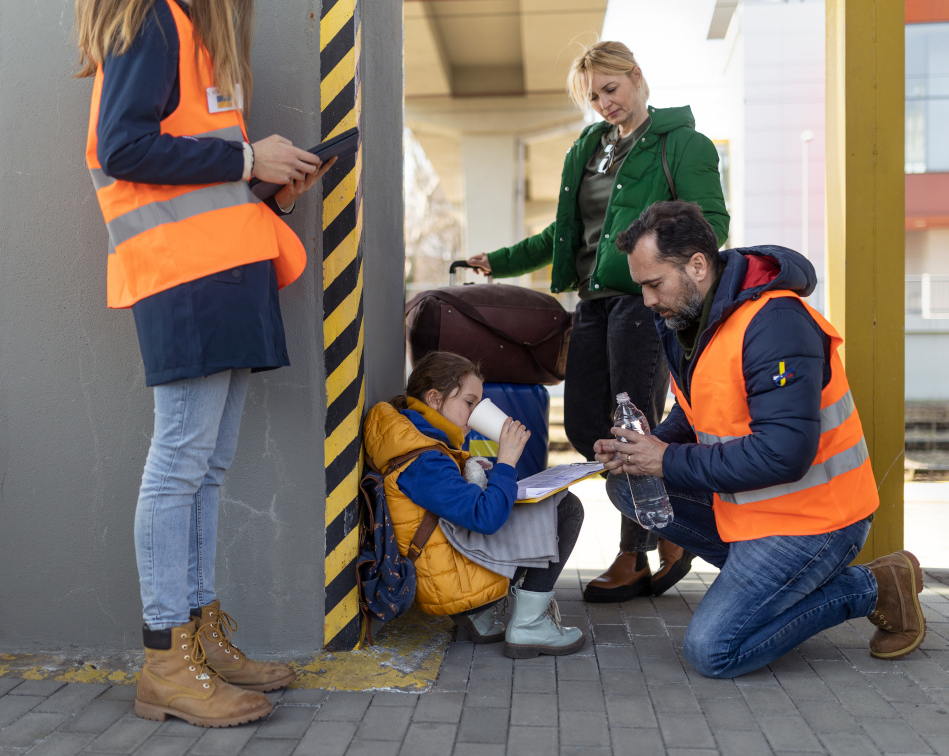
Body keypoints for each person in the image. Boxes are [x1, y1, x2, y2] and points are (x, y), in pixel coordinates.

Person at [76, 0, 335, 727]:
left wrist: (263, 184)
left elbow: (192, 171)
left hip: (216, 272)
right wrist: (250, 158)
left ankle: (197, 637)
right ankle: (166, 658)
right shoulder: (154, 18)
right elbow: (122, 146)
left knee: (206, 464)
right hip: (183, 278)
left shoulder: (188, 27)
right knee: (180, 462)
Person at [595, 201, 926, 678]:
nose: (647, 300)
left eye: (653, 284)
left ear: (698, 265)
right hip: (756, 507)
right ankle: (771, 585)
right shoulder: (687, 318)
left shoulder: (776, 322)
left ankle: (875, 586)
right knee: (626, 483)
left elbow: (784, 454)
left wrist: (665, 460)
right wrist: (641, 448)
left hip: (818, 519)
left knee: (713, 651)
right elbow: (694, 413)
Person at [466, 40, 729, 603]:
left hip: (644, 297)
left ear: (636, 76)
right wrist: (501, 261)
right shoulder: (589, 147)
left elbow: (712, 223)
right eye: (593, 96)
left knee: (631, 424)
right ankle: (668, 529)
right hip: (593, 301)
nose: (603, 103)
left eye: (610, 89)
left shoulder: (682, 144)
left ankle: (635, 552)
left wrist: (665, 272)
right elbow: (563, 236)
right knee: (588, 428)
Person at [363, 352, 586, 659]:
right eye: (469, 402)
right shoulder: (424, 459)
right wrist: (506, 461)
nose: (474, 414)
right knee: (566, 507)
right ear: (434, 398)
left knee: (534, 502)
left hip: (449, 572)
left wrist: (471, 467)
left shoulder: (413, 438)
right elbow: (484, 518)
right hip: (454, 588)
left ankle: (479, 618)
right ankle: (529, 626)